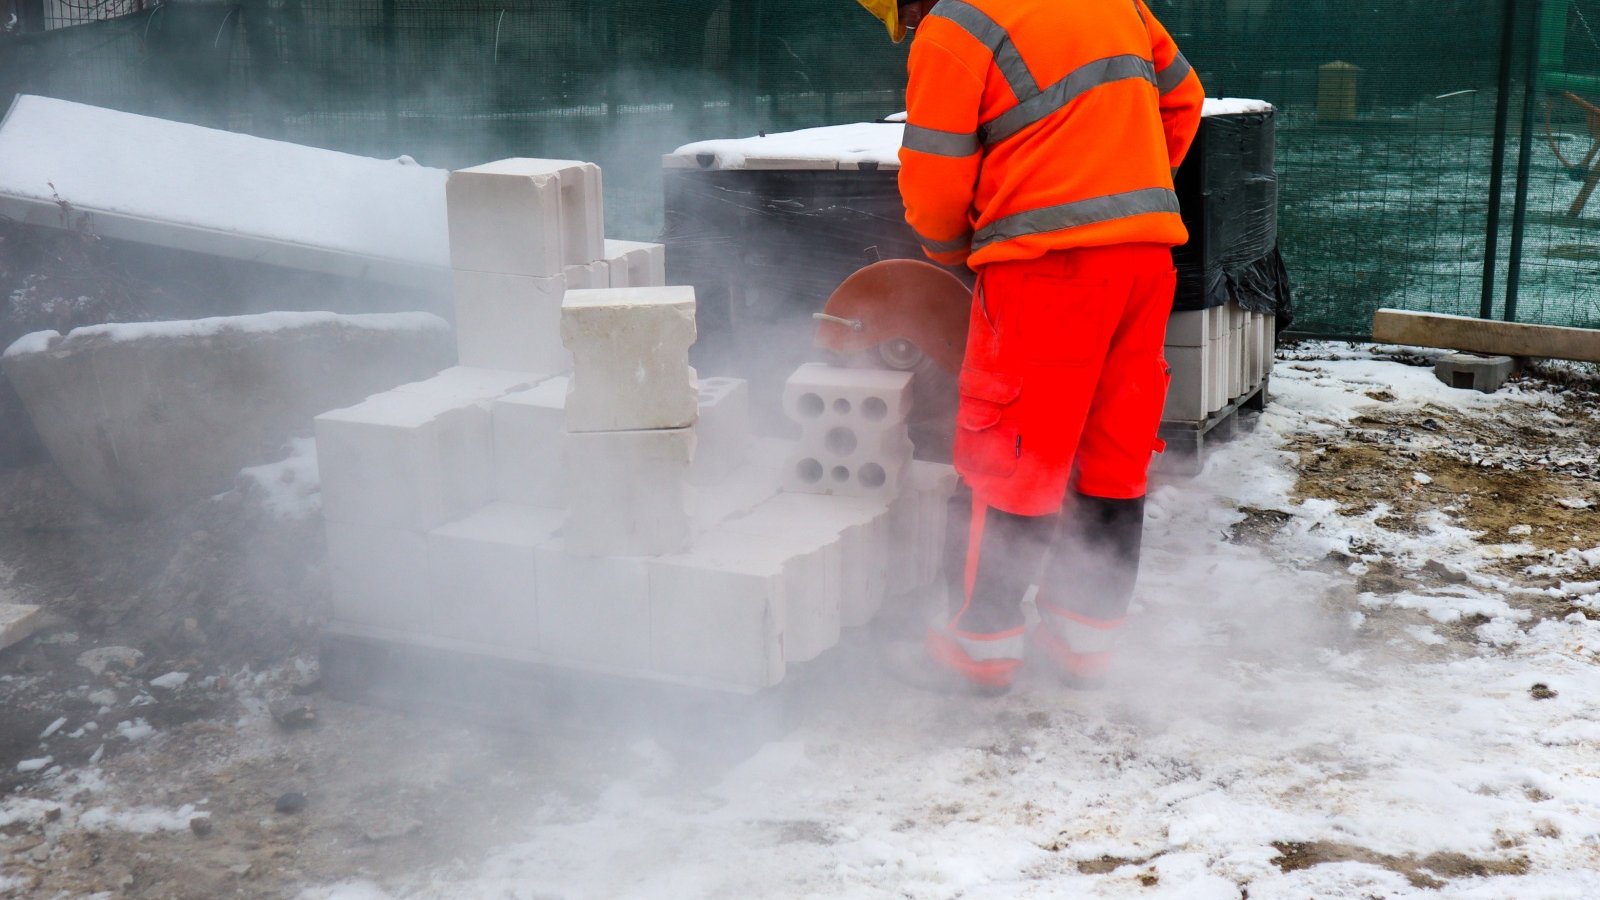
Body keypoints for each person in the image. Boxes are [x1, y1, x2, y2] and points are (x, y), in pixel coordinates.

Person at [855, 0, 1205, 691]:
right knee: (1115, 450)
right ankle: (1083, 640)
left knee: (1009, 455)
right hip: (1144, 260)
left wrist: (951, 249)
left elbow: (933, 181)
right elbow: (1183, 99)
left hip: (1045, 271)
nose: (914, 21)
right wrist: (1118, 191)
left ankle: (978, 647)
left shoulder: (956, 26)